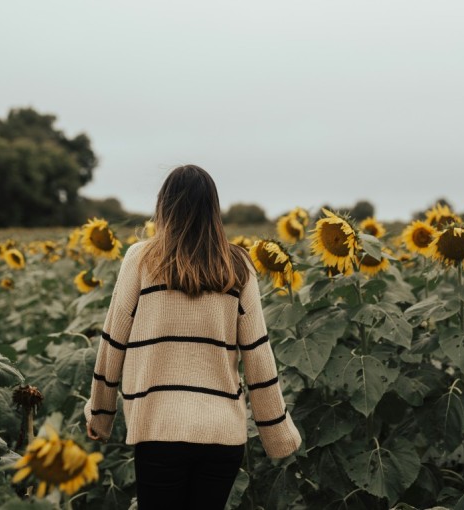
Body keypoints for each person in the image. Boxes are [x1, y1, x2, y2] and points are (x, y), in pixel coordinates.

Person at [84, 164, 301, 509]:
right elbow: (258, 355)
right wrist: (278, 434)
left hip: (159, 428)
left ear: (163, 207)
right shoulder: (238, 266)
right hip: (222, 436)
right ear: (213, 210)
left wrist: (100, 413)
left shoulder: (140, 259)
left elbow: (114, 341)